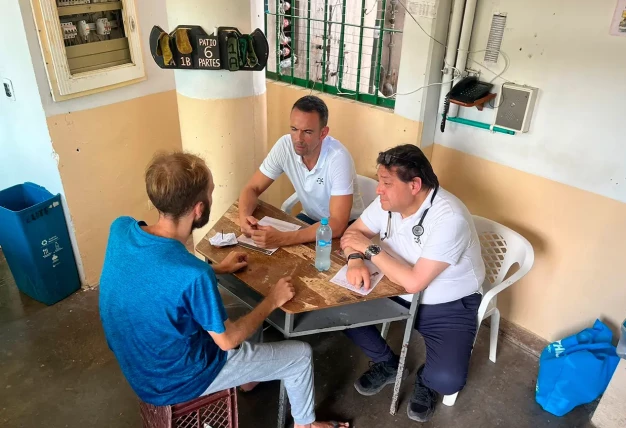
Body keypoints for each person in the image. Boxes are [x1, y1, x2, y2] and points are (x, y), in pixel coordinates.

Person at [99, 152, 347, 428]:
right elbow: (227, 341)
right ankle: (305, 425)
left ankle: (250, 377)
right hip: (178, 380)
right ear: (199, 209)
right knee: (299, 354)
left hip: (138, 365)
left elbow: (156, 273)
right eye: (210, 193)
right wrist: (272, 300)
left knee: (243, 312)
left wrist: (219, 269)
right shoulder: (193, 275)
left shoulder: (120, 229)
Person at [339, 144, 486, 423]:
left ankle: (427, 379)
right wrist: (356, 260)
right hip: (391, 286)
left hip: (446, 303)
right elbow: (354, 232)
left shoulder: (449, 218)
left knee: (448, 380)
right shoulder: (389, 203)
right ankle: (388, 363)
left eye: (386, 183)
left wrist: (369, 249)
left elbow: (415, 282)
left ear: (414, 185)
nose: (378, 190)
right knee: (337, 310)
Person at [239, 95, 364, 248]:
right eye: (294, 129)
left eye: (307, 132)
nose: (298, 138)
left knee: (319, 267)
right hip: (310, 219)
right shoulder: (284, 146)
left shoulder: (338, 158)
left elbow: (337, 223)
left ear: (323, 133)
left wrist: (283, 238)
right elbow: (252, 188)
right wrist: (244, 217)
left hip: (346, 229)